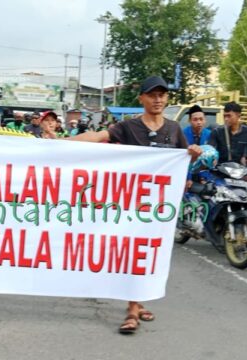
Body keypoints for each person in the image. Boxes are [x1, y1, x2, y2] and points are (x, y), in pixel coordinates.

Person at [69, 75, 202, 334]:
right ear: (141, 98)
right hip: (132, 204)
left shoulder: (174, 129)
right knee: (133, 252)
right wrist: (56, 144)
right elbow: (97, 137)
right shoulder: (128, 127)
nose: (158, 99)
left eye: (162, 94)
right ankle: (132, 308)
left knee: (152, 254)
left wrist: (193, 157)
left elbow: (184, 162)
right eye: (152, 94)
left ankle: (138, 300)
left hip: (161, 207)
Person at [208, 102, 247, 166]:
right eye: (224, 116)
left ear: (238, 116)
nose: (226, 119)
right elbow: (210, 149)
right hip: (220, 169)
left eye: (229, 116)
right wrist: (213, 158)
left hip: (241, 170)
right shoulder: (217, 131)